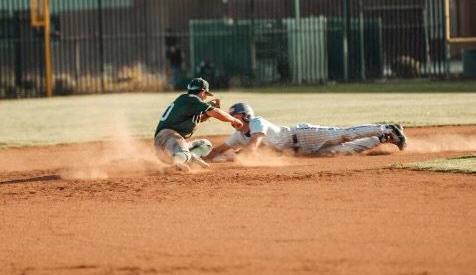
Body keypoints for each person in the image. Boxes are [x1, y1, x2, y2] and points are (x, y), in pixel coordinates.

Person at [208, 102, 407, 161]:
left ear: (247, 115)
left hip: (302, 134)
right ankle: (383, 138)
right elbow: (218, 150)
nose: (233, 120)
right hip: (300, 151)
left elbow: (253, 146)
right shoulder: (238, 135)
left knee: (343, 135)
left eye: (237, 116)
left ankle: (388, 128)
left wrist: (236, 156)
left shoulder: (257, 123)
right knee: (346, 150)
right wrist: (198, 158)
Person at [154, 78, 243, 172]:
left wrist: (206, 114)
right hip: (167, 137)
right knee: (185, 154)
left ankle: (187, 158)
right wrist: (234, 120)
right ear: (203, 92)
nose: (205, 98)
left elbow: (195, 120)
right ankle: (176, 164)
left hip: (170, 144)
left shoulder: (188, 102)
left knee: (205, 144)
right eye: (206, 95)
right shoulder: (191, 99)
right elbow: (218, 114)